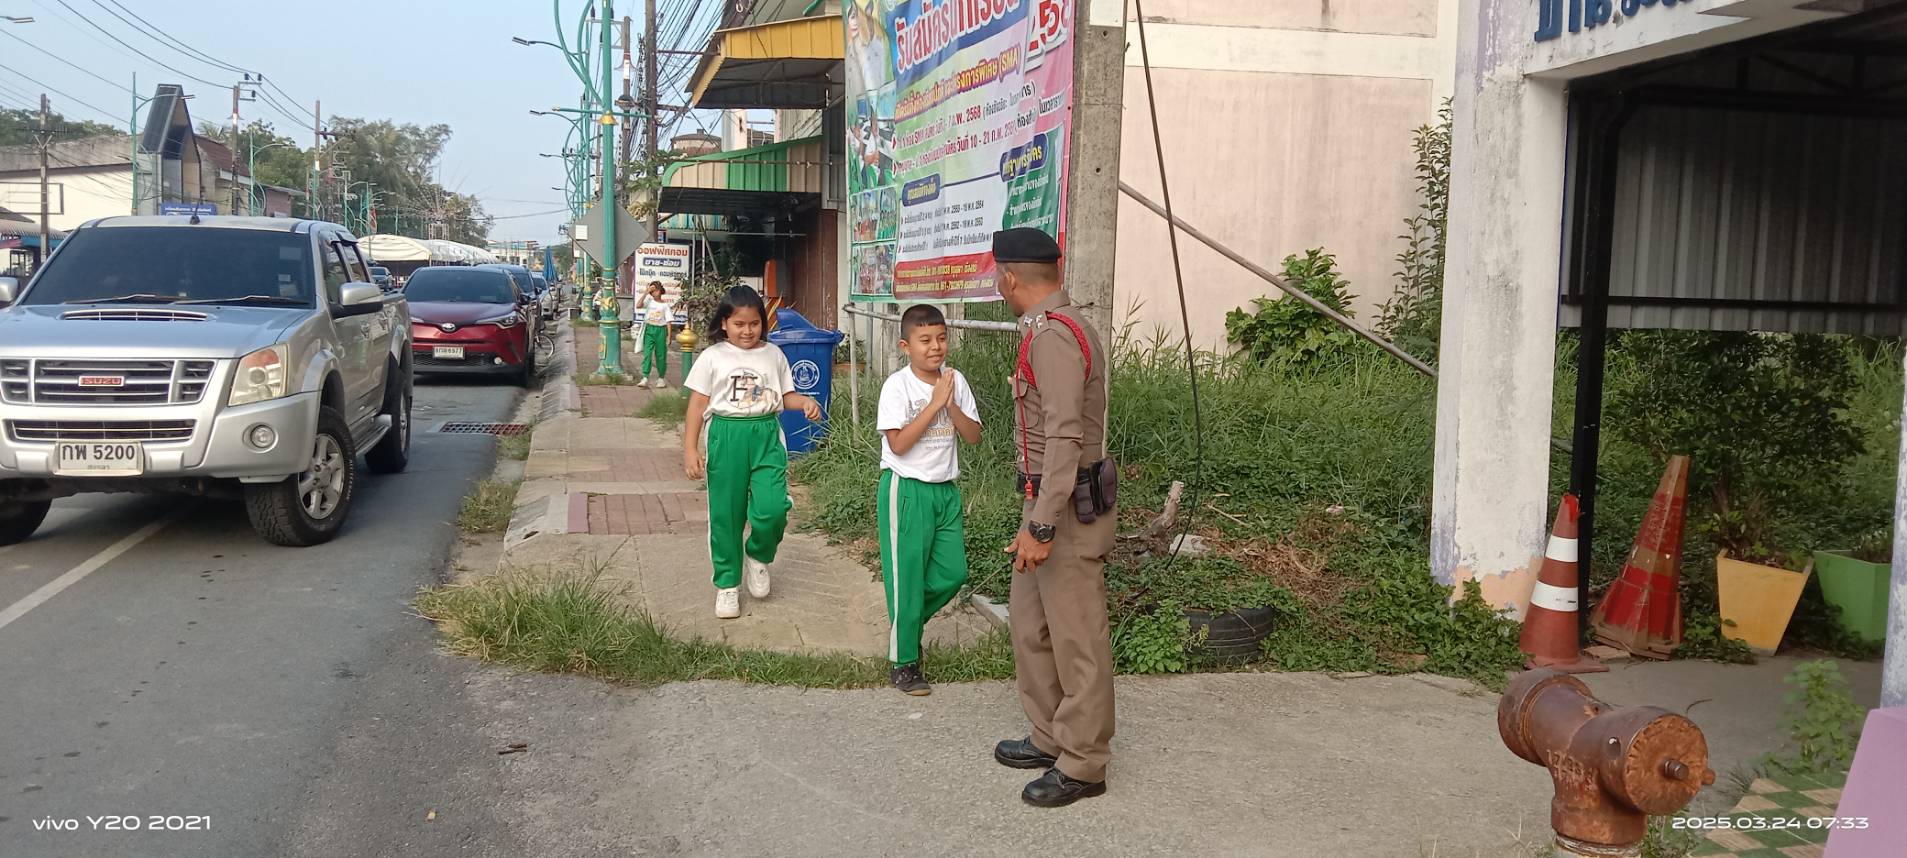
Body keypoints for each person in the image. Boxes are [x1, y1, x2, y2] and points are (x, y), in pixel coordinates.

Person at [989, 226, 1117, 808]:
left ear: (1010, 277)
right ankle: (1050, 735)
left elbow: (1065, 437)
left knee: (1076, 635)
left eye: (998, 277)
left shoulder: (1055, 337)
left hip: (1063, 509)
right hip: (1044, 500)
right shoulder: (1051, 328)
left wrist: (1041, 525)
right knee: (1030, 624)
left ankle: (1085, 762)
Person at [683, 286, 823, 619]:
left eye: (754, 323)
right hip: (726, 436)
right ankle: (727, 584)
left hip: (766, 435)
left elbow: (784, 396)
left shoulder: (773, 355)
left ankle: (758, 555)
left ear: (764, 322)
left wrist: (804, 402)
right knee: (726, 515)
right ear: (724, 323)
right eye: (739, 324)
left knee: (772, 508)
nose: (747, 331)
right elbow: (697, 405)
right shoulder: (712, 357)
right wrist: (690, 448)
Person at [876, 304, 982, 696]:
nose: (935, 347)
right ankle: (904, 663)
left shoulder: (955, 380)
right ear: (906, 346)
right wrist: (935, 403)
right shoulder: (897, 386)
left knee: (953, 573)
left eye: (941, 338)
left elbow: (973, 436)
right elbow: (899, 445)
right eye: (925, 340)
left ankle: (906, 626)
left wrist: (949, 402)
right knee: (906, 579)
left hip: (945, 490)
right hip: (906, 489)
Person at [634, 280, 674, 389]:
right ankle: (645, 377)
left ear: (660, 291)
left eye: (656, 290)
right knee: (647, 353)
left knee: (661, 355)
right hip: (649, 329)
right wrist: (646, 292)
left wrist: (669, 336)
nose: (654, 293)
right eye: (652, 291)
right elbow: (638, 305)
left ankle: (661, 378)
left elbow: (669, 321)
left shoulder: (665, 305)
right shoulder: (649, 301)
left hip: (660, 330)